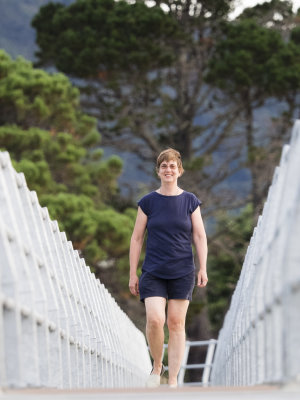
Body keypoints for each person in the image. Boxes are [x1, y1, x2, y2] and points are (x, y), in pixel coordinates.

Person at [129, 148, 208, 388]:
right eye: (164, 166)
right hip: (153, 271)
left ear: (179, 170)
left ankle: (173, 379)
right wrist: (133, 272)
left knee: (176, 323)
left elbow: (200, 236)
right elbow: (136, 238)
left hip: (182, 270)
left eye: (172, 166)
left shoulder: (190, 201)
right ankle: (156, 365)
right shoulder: (148, 202)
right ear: (158, 171)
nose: (168, 170)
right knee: (154, 319)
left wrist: (202, 267)